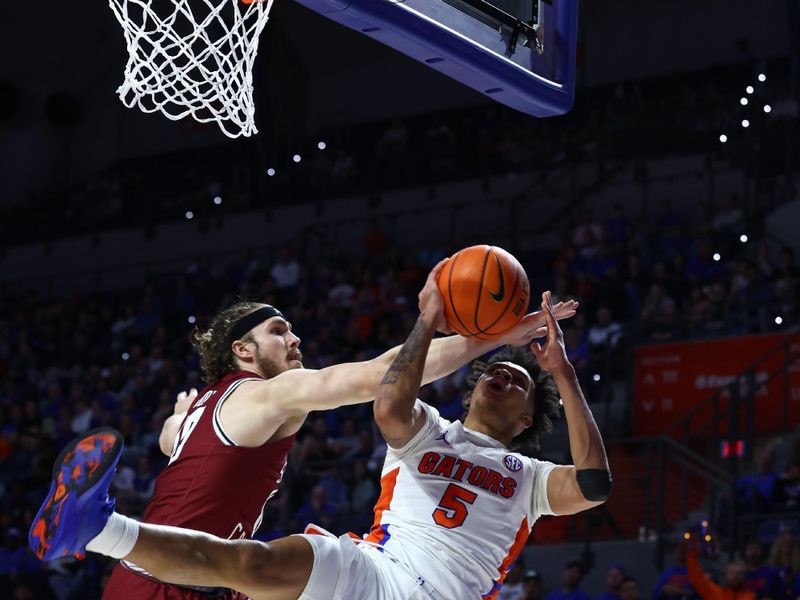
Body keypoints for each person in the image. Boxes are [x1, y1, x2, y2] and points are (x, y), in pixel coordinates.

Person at [29, 273, 609, 599]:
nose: (296, 339)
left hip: (168, 569)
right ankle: (97, 525)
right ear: (243, 351)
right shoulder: (269, 394)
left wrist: (169, 429)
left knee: (257, 568)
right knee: (254, 565)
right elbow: (380, 379)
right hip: (183, 577)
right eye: (280, 331)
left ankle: (99, 528)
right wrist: (495, 332)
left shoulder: (205, 408)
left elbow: (176, 443)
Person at [685, 541, 755, 600]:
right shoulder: (715, 593)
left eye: (739, 573)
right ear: (726, 574)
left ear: (744, 576)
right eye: (732, 573)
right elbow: (697, 579)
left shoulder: (750, 597)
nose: (735, 576)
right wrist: (691, 554)